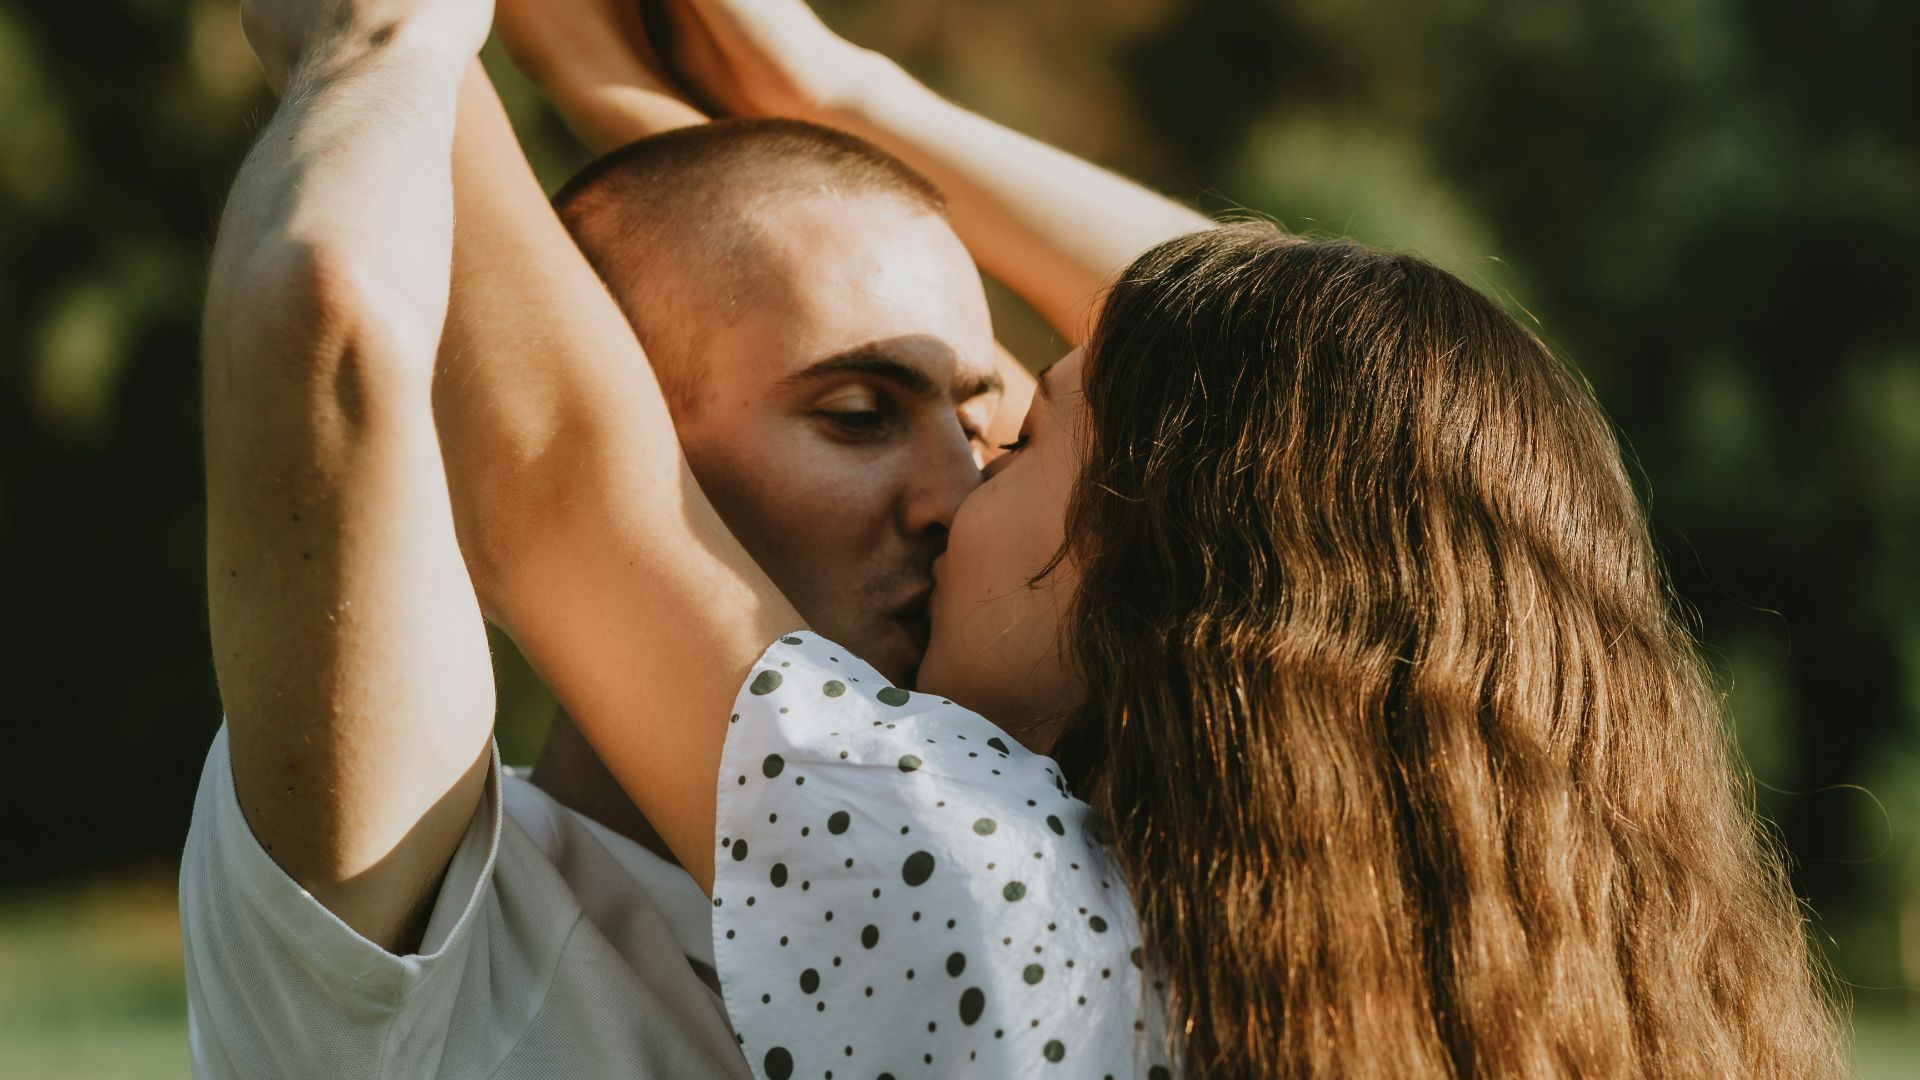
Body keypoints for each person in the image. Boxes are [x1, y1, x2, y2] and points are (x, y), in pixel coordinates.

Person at [439, 1, 1849, 1076]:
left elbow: (557, 475)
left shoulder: (980, 887)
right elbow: (1382, 452)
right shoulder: (1510, 965)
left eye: (1020, 436)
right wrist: (828, 93)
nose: (953, 487)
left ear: (1138, 572)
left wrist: (406, 57)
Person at [181, 0, 1206, 1076]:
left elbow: (1311, 446)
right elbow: (332, 305)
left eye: (990, 425)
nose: (960, 497)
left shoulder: (1076, 852)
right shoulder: (433, 874)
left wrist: (382, 45)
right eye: (858, 416)